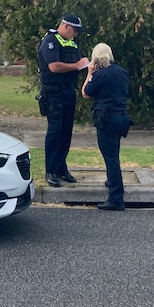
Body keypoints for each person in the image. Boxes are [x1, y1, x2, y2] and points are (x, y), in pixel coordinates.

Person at [37, 14, 90, 187]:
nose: (76, 34)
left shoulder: (71, 43)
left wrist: (86, 67)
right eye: (75, 30)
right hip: (54, 94)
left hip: (68, 92)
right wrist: (76, 66)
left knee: (66, 132)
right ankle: (50, 170)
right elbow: (54, 66)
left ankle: (61, 168)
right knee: (55, 132)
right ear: (66, 26)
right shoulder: (50, 41)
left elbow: (76, 65)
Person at [81, 42, 131, 211]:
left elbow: (86, 93)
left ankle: (116, 198)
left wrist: (89, 73)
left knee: (111, 158)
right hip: (122, 117)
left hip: (106, 118)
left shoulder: (99, 75)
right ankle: (111, 181)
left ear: (95, 58)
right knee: (114, 153)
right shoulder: (122, 72)